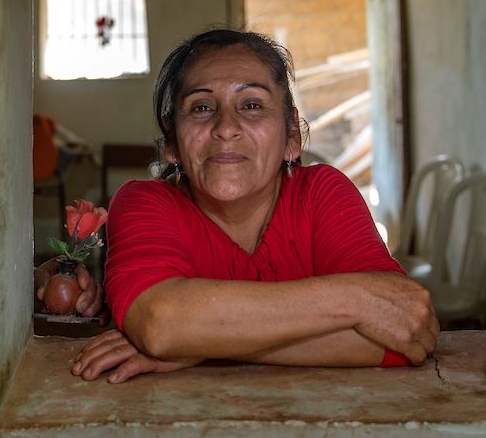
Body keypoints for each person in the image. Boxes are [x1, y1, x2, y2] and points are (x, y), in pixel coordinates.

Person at [59, 28, 438, 384]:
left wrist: (202, 346)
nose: (226, 127)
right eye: (202, 108)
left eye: (252, 105)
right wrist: (357, 300)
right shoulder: (145, 203)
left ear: (292, 134)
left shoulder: (323, 193)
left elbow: (404, 331)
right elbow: (161, 323)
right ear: (172, 141)